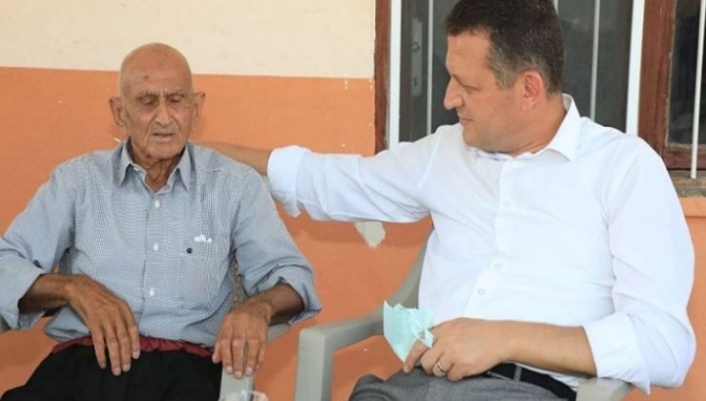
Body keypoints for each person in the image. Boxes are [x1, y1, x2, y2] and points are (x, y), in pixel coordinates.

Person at [204, 0, 696, 400]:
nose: (448, 98)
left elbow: (664, 345)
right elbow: (324, 180)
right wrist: (195, 152)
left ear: (529, 89)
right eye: (450, 76)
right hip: (409, 387)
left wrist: (502, 337)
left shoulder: (623, 169)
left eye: (468, 85)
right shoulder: (445, 153)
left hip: (524, 391)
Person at [0, 43, 320, 401]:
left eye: (176, 100)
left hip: (188, 371)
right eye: (147, 102)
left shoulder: (234, 186)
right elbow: (5, 263)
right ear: (119, 112)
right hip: (83, 365)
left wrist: (258, 307)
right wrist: (73, 288)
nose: (165, 117)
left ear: (196, 108)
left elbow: (294, 278)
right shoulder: (77, 181)